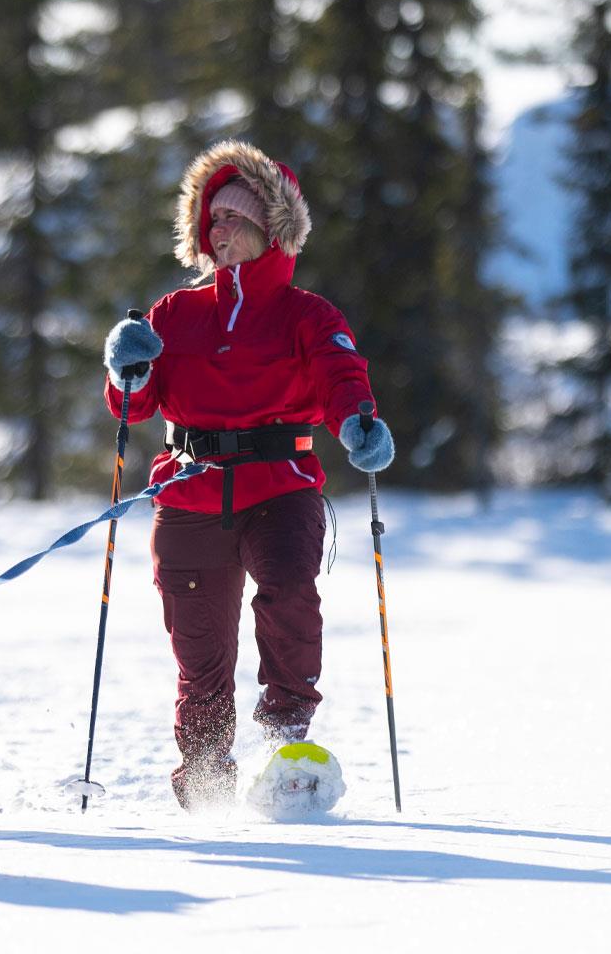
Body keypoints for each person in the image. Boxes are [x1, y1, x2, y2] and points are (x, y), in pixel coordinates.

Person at [99, 140, 395, 811]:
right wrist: (127, 370)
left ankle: (285, 740)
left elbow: (341, 377)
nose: (218, 231)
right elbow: (133, 407)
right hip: (190, 491)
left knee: (289, 593)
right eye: (211, 222)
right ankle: (205, 779)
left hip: (281, 487)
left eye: (232, 219)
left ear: (272, 229)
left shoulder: (307, 315)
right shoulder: (174, 314)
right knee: (199, 651)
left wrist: (358, 424)